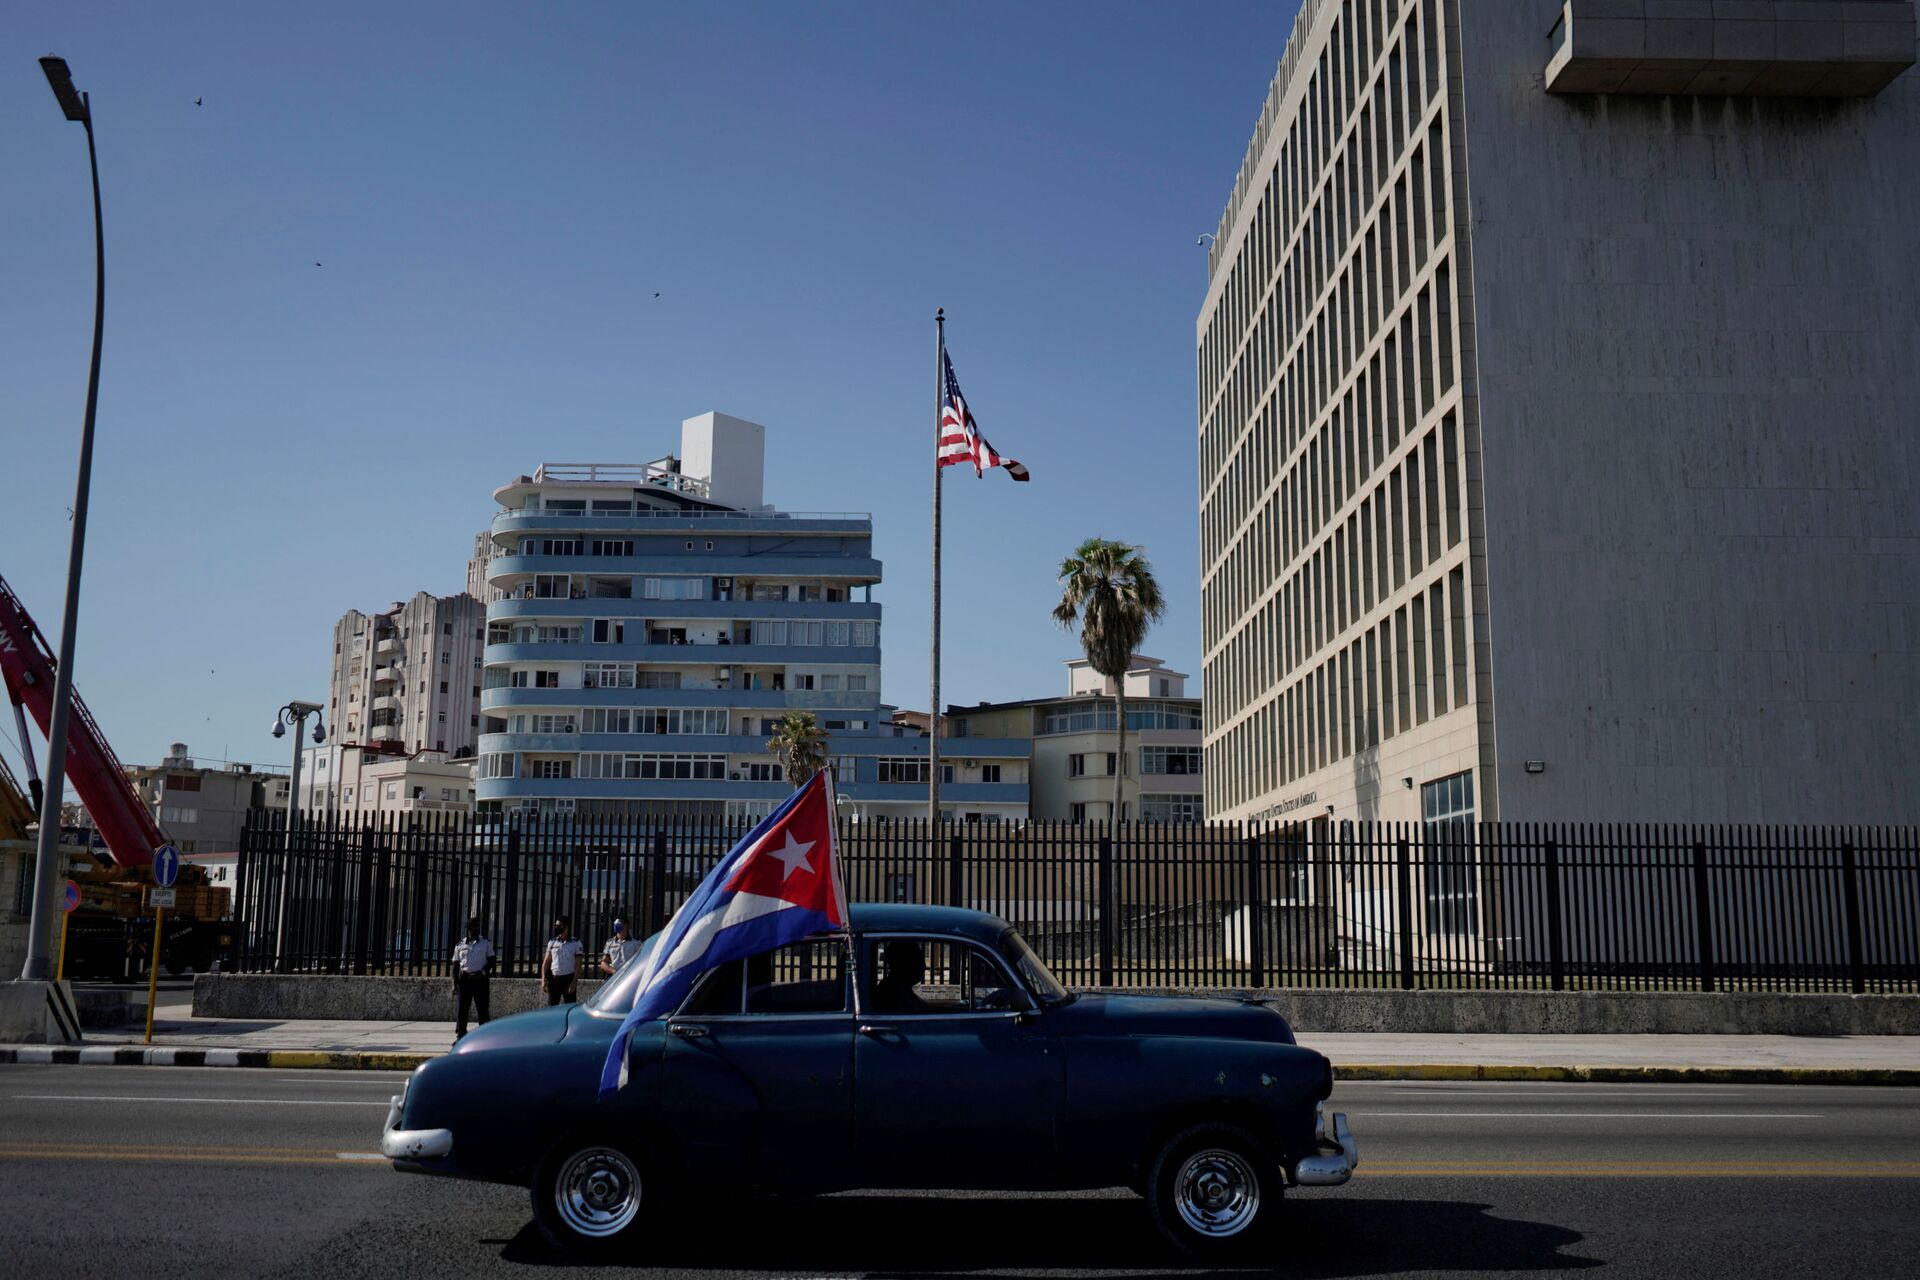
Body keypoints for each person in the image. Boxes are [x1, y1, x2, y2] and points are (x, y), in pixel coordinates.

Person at [451, 917, 494, 1042]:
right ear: (468, 929)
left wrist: (482, 972)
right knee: (462, 1009)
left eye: (477, 927)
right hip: (465, 979)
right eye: (473, 928)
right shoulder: (460, 945)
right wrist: (454, 984)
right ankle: (461, 1035)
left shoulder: (486, 943)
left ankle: (485, 1036)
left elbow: (491, 961)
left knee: (483, 1009)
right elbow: (455, 965)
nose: (476, 930)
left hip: (481, 980)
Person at [870, 939, 930, 1013]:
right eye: (918, 959)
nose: (924, 967)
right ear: (905, 963)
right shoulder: (892, 993)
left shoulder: (898, 988)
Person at [541, 914, 584, 1005]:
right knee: (552, 1007)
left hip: (568, 979)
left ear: (566, 926)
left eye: (559, 926)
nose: (557, 928)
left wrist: (574, 982)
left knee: (569, 1006)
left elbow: (578, 964)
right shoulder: (552, 942)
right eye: (556, 926)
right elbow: (546, 962)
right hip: (554, 979)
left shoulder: (575, 943)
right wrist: (543, 979)